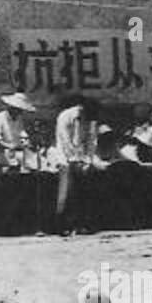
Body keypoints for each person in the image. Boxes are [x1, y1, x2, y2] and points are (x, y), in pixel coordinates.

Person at [55, 95, 102, 234]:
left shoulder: (92, 119)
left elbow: (92, 141)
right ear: (82, 109)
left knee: (83, 194)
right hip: (66, 159)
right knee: (66, 193)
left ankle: (80, 225)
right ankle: (62, 226)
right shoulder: (65, 116)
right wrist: (75, 160)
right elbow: (65, 141)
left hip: (83, 160)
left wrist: (87, 161)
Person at [0, 92, 36, 172]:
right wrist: (10, 146)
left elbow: (22, 134)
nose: (20, 112)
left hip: (14, 159)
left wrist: (25, 143)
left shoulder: (19, 120)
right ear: (12, 107)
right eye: (19, 109)